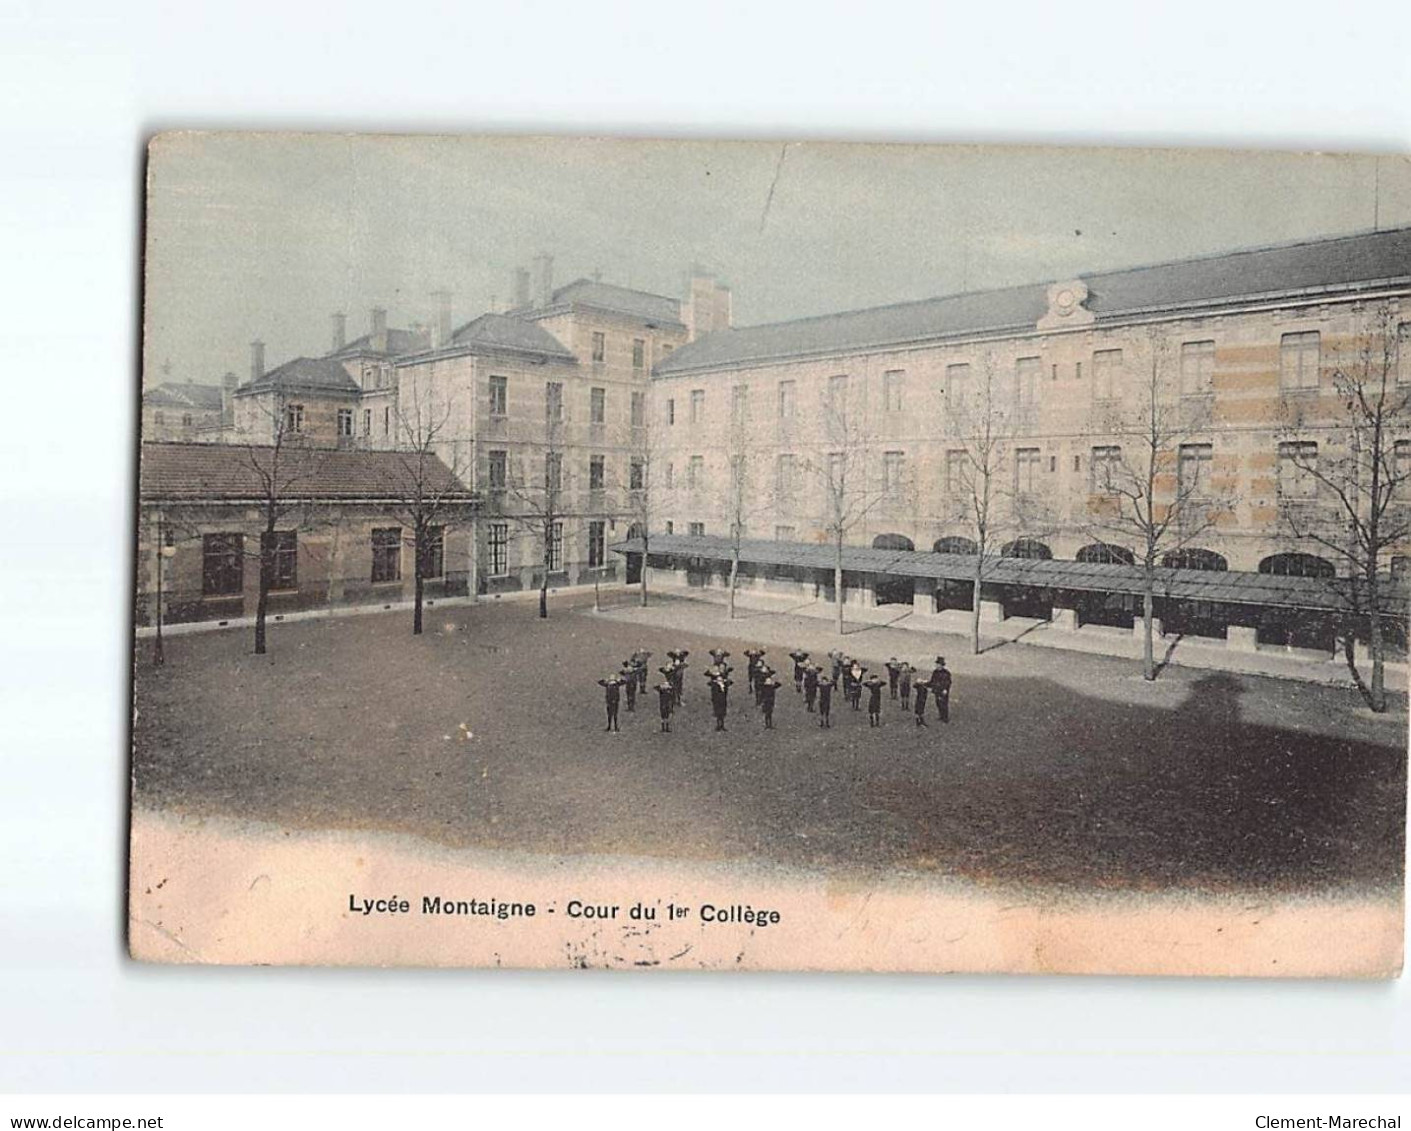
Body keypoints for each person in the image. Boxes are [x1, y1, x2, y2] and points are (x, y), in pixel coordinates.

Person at [930, 657, 952, 723]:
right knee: (938, 703)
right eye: (937, 664)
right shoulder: (935, 672)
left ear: (942, 665)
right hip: (937, 690)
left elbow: (948, 682)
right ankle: (941, 715)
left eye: (939, 665)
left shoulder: (946, 673)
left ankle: (945, 717)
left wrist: (945, 689)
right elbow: (932, 681)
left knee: (944, 704)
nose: (937, 666)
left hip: (943, 691)